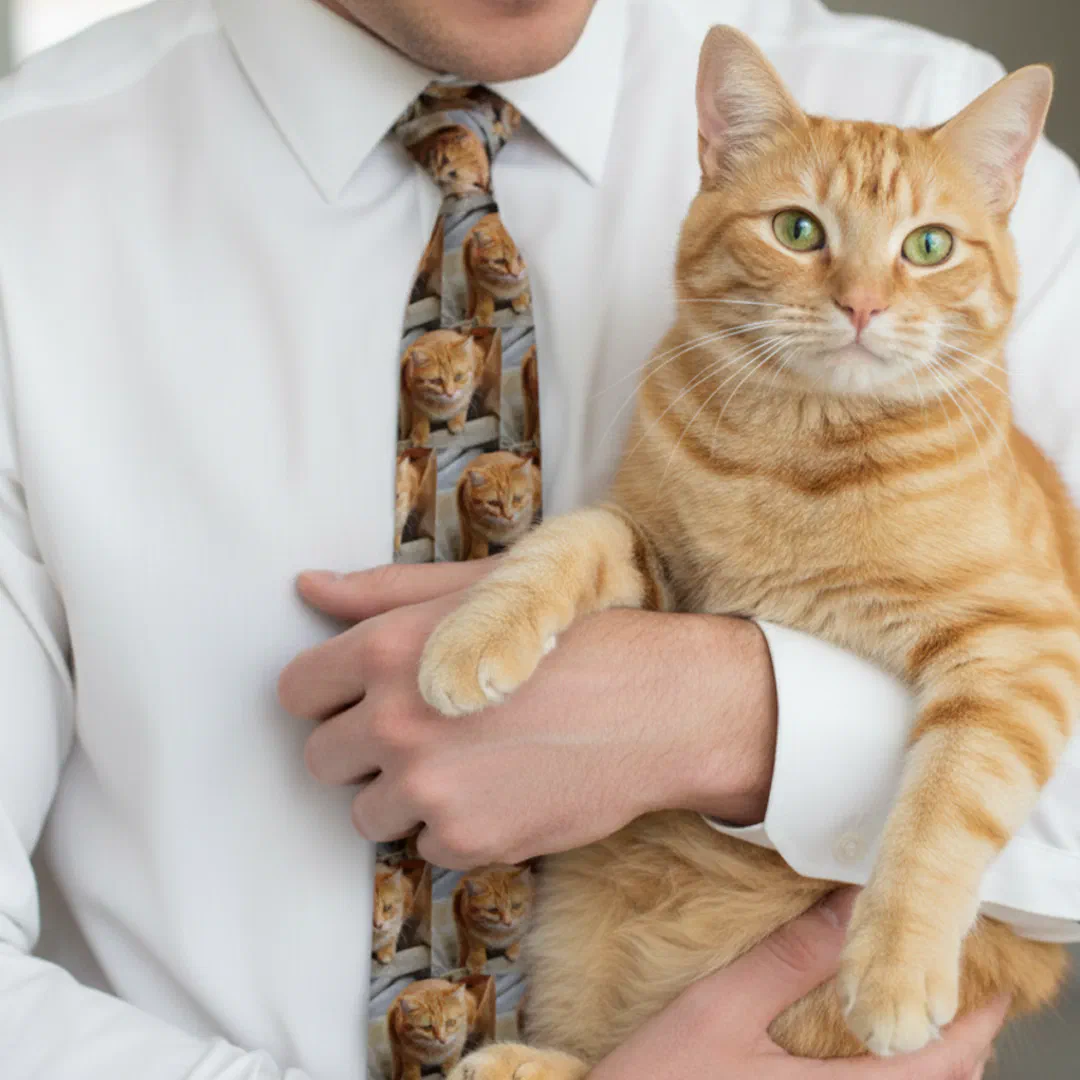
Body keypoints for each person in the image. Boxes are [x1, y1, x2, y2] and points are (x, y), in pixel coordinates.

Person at [0, 0, 1076, 1077]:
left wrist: (736, 718)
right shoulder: (31, 182)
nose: (862, 297)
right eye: (801, 234)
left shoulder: (934, 111)